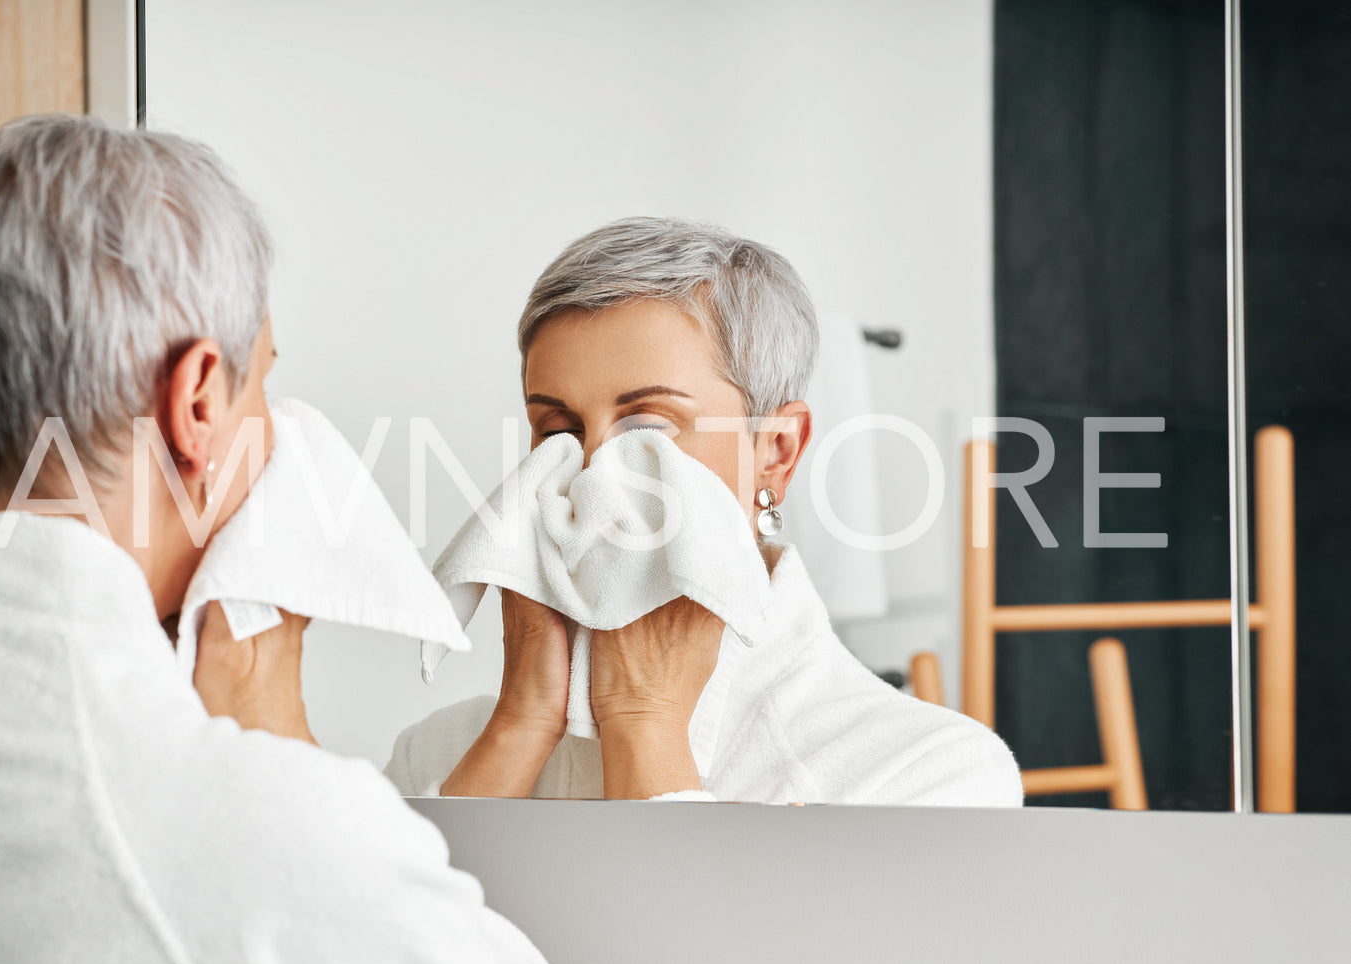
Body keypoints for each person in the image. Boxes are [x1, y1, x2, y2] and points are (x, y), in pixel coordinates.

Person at [0, 115, 574, 964]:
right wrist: (276, 757)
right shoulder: (253, 833)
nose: (279, 429)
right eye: (261, 384)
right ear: (195, 402)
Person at [387, 217, 1024, 806]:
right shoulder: (437, 757)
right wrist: (519, 725)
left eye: (648, 429)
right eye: (557, 430)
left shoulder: (927, 774)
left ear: (775, 450)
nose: (591, 473)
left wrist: (647, 724)